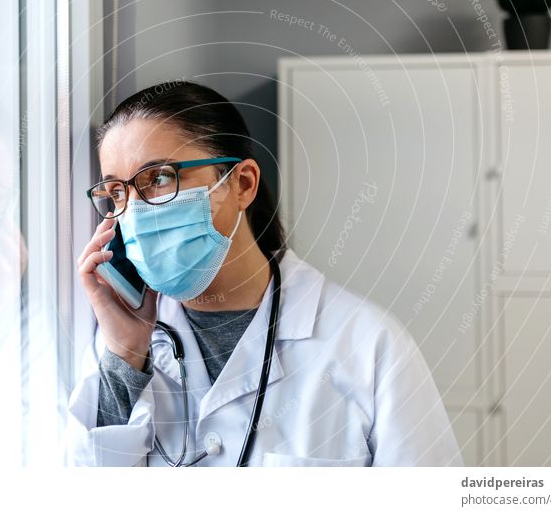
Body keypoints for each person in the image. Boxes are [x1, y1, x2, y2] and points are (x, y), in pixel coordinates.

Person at [65, 81, 463, 467]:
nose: (133, 211)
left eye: (160, 178)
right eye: (117, 192)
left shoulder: (367, 345)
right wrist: (125, 355)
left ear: (242, 184)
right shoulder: (118, 347)